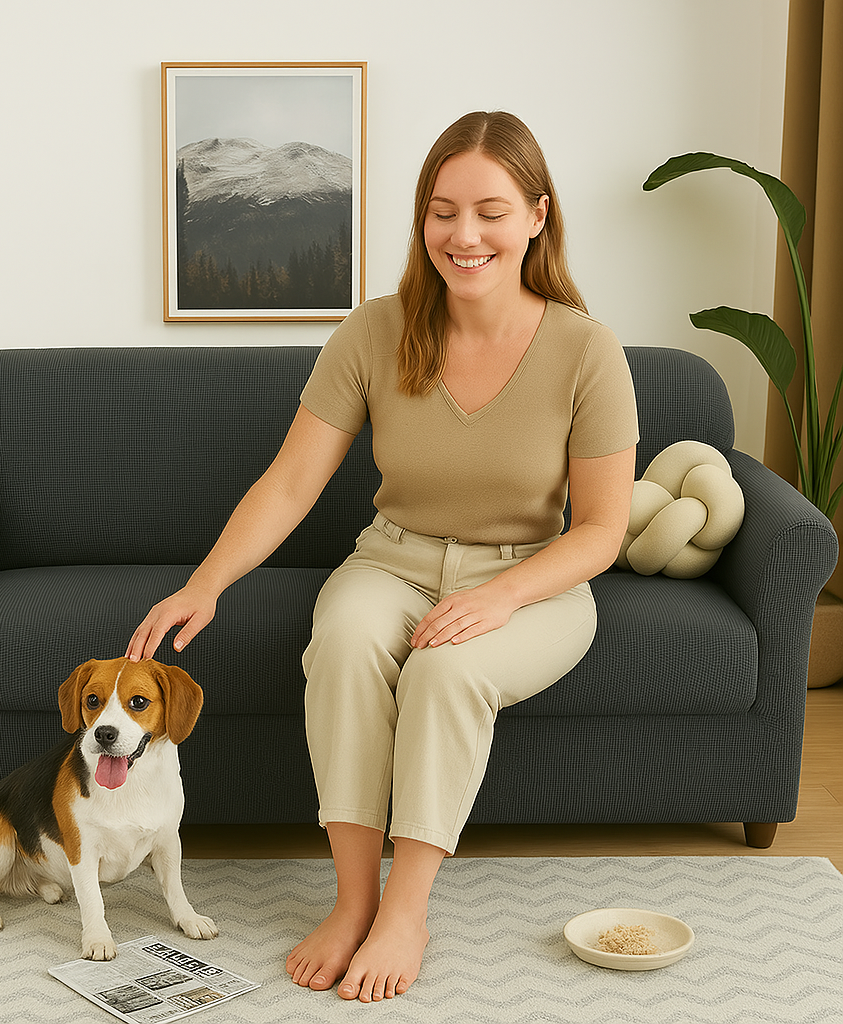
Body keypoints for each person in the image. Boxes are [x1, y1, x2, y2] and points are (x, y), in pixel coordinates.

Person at [126, 110, 638, 1003]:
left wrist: (503, 596)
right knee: (347, 641)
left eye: (489, 210)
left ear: (536, 216)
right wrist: (204, 584)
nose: (463, 234)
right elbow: (291, 482)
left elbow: (600, 531)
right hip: (392, 562)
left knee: (444, 674)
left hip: (534, 581)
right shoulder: (375, 331)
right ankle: (351, 900)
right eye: (442, 211)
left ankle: (406, 910)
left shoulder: (587, 349)